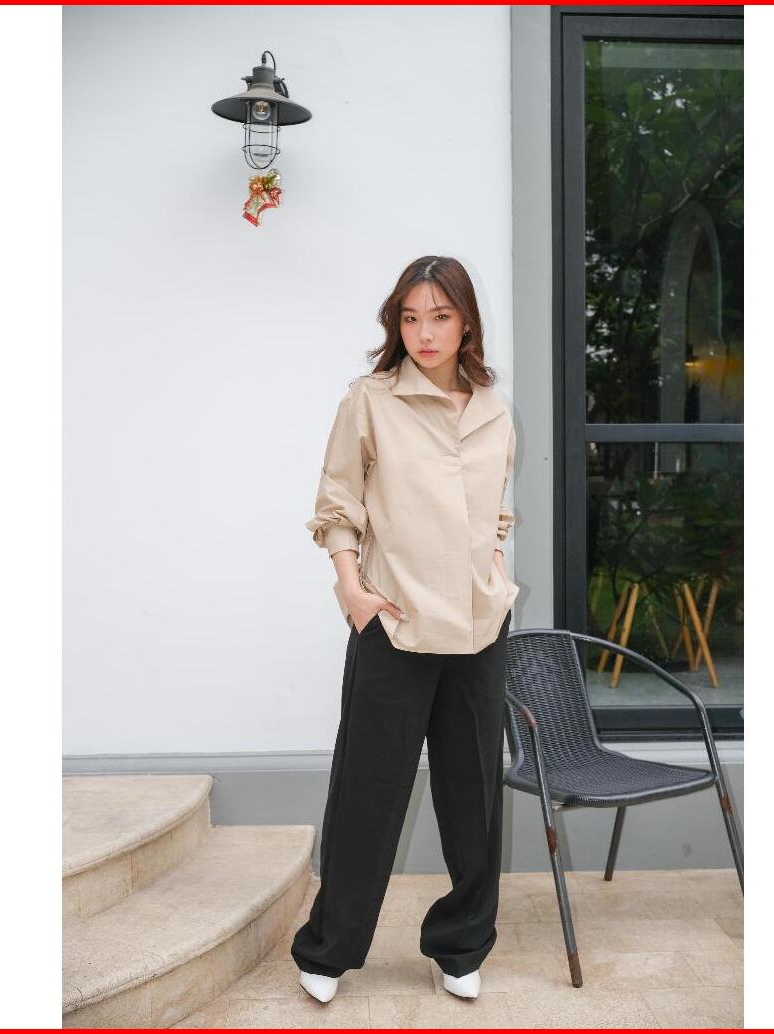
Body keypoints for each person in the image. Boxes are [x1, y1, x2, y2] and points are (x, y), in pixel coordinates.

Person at [290, 255, 519, 1004]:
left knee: (473, 800)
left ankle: (460, 945)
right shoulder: (371, 400)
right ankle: (329, 948)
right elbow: (337, 501)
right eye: (411, 317)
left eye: (440, 317)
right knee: (369, 792)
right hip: (394, 622)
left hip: (478, 629)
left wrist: (493, 563)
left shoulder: (493, 409)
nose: (425, 332)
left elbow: (496, 506)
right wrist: (351, 587)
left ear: (466, 324)